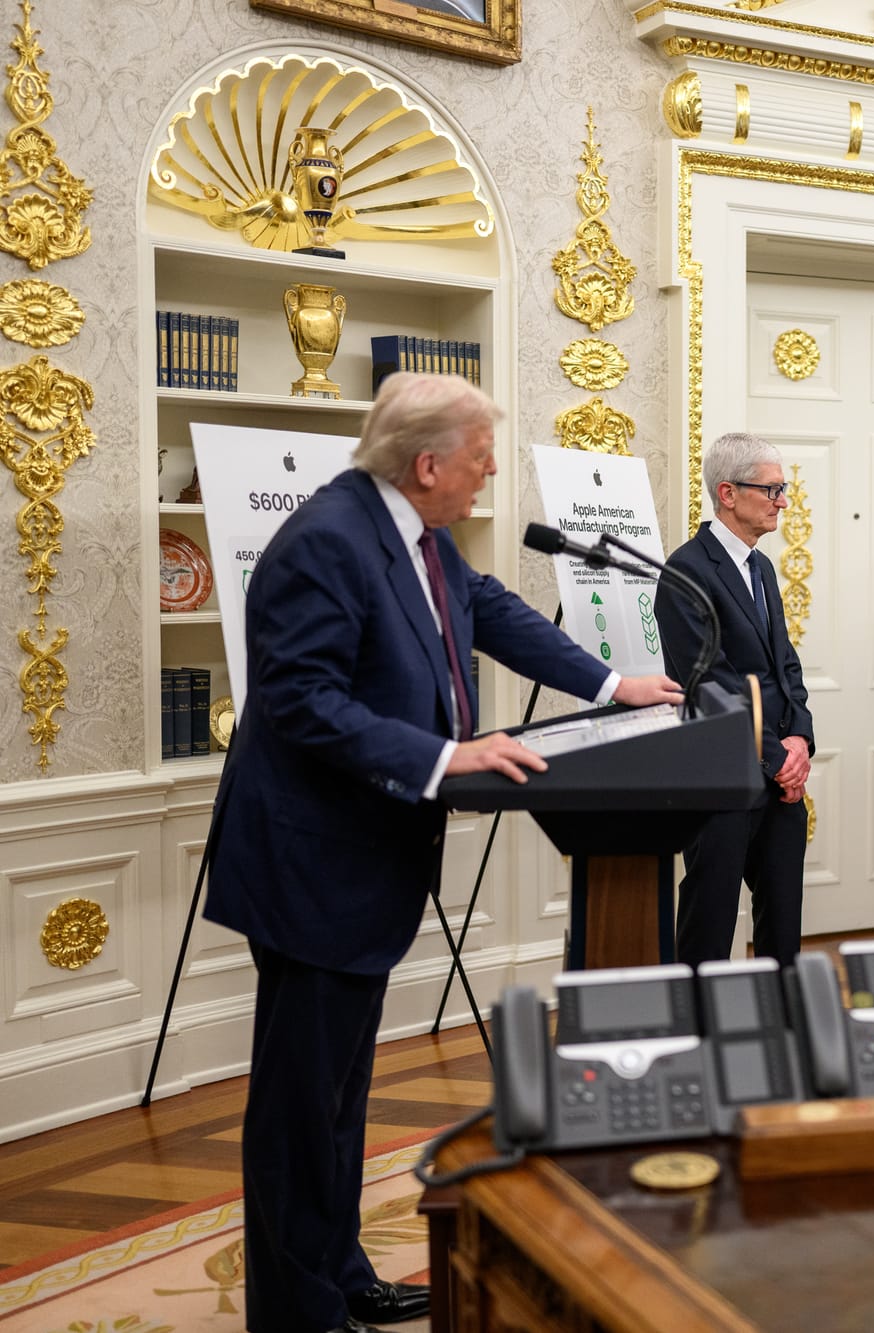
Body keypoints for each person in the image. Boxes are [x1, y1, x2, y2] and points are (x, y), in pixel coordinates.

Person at [203, 373, 682, 1333]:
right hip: (310, 863)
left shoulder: (412, 532)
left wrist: (611, 683)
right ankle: (296, 1314)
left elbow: (490, 610)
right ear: (428, 465)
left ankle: (337, 1272)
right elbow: (299, 702)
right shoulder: (328, 541)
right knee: (301, 1107)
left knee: (339, 1096)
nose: (490, 472)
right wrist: (445, 755)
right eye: (479, 458)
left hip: (360, 858)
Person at [658, 432, 813, 967]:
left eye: (782, 489)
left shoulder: (761, 565)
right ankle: (699, 1032)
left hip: (779, 771)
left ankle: (784, 1029)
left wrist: (800, 739)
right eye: (772, 490)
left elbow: (784, 664)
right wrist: (777, 757)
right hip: (722, 773)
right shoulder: (686, 571)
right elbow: (712, 684)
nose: (783, 502)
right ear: (728, 492)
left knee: (783, 921)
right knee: (710, 919)